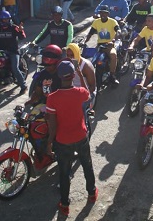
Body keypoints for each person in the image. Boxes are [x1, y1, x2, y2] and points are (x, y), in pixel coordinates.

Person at [45, 60, 98, 216]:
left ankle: (64, 204)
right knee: (87, 166)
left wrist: (49, 143)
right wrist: (80, 74)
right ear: (73, 75)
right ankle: (91, 193)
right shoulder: (80, 93)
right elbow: (87, 91)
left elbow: (53, 125)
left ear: (59, 76)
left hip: (62, 141)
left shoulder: (52, 98)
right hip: (81, 137)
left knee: (64, 172)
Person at [84, 5, 120, 85]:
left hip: (110, 44)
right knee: (91, 59)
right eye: (101, 13)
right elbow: (90, 33)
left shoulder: (112, 22)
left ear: (108, 14)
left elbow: (118, 31)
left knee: (113, 55)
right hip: (100, 45)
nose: (103, 15)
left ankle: (112, 75)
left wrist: (113, 40)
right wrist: (84, 42)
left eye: (105, 13)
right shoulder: (96, 22)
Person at [25, 44, 64, 109]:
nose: (47, 67)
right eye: (45, 65)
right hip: (45, 106)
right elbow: (38, 92)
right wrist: (29, 102)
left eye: (50, 65)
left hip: (60, 106)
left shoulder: (62, 75)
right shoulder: (43, 74)